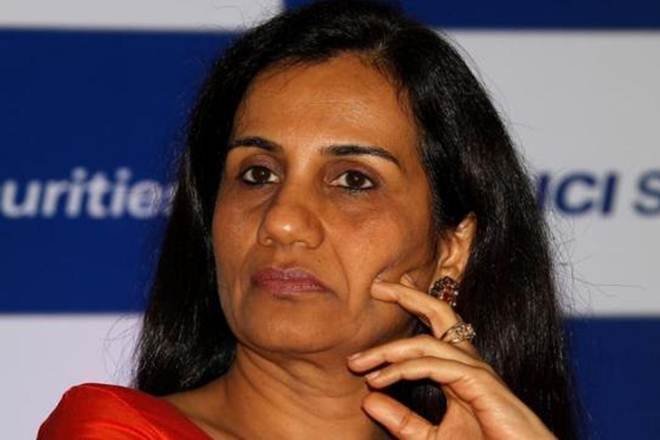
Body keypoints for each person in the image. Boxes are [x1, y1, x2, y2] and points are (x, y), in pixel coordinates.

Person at [38, 1, 581, 438]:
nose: (282, 221)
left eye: (353, 181)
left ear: (451, 249)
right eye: (257, 174)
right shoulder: (113, 430)